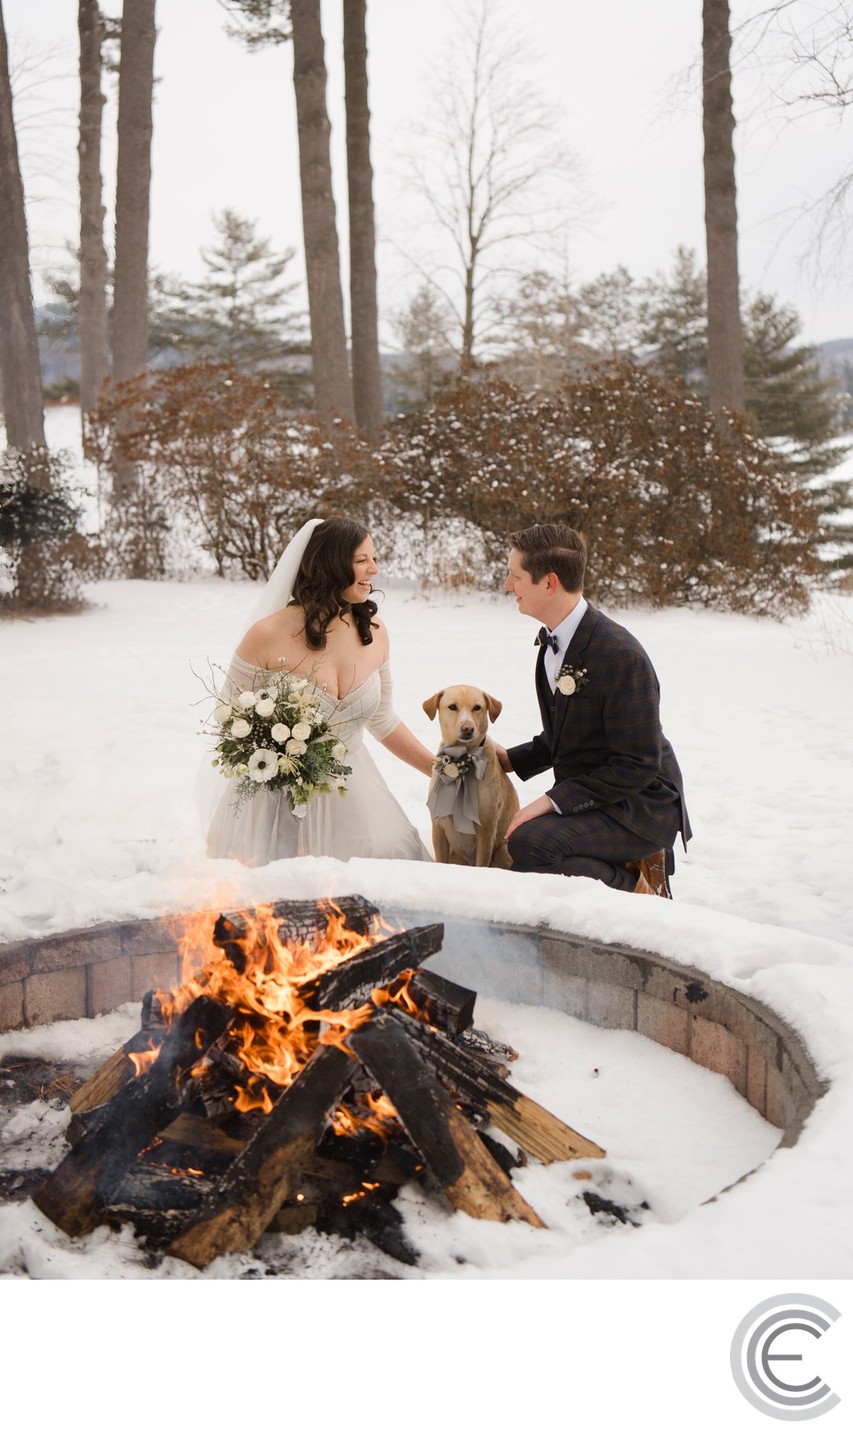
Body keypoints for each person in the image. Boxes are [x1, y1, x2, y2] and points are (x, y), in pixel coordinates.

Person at [206, 516, 435, 865]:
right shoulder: (266, 635)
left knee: (392, 853)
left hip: (353, 788)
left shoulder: (375, 633)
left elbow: (383, 719)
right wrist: (280, 750)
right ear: (330, 564)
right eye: (362, 560)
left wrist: (440, 772)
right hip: (275, 797)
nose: (374, 568)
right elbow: (229, 719)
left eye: (374, 558)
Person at [493, 523, 691, 896]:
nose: (508, 585)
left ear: (549, 583)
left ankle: (639, 892)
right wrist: (506, 760)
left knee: (532, 845)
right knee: (525, 843)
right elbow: (565, 734)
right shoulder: (553, 644)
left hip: (641, 805)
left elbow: (639, 763)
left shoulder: (620, 656)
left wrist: (552, 801)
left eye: (515, 576)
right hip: (601, 791)